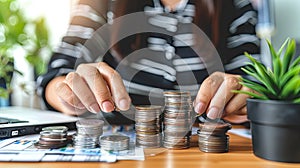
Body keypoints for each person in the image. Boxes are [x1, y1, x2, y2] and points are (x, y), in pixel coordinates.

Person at [37, 0, 260, 125]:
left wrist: (244, 95)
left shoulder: (236, 6)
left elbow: (253, 82)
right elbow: (57, 74)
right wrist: (67, 93)